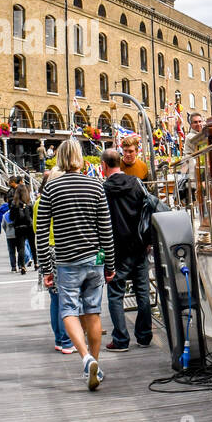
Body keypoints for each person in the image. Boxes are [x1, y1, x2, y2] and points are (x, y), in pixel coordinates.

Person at [38, 140, 116, 389]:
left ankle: (85, 359)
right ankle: (96, 365)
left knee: (68, 310)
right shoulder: (96, 186)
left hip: (67, 260)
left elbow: (41, 232)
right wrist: (109, 264)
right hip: (95, 258)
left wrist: (46, 269)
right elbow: (106, 229)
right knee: (92, 312)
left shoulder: (51, 188)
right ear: (81, 158)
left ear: (59, 159)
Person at [101, 148, 154, 351]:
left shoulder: (104, 189)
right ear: (120, 162)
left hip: (116, 249)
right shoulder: (136, 184)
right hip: (139, 245)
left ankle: (121, 340)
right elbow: (147, 211)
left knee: (115, 294)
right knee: (142, 292)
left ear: (104, 165)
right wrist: (148, 239)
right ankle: (144, 336)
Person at [34, 170, 75, 354]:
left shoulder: (37, 202)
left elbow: (36, 228)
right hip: (59, 248)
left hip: (45, 251)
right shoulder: (58, 199)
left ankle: (59, 338)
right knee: (65, 298)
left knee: (54, 298)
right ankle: (67, 340)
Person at [8, 177, 36, 273]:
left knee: (21, 247)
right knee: (32, 245)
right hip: (29, 226)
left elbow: (11, 217)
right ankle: (36, 263)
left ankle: (23, 266)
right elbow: (32, 216)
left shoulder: (14, 204)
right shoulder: (29, 203)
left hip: (19, 227)